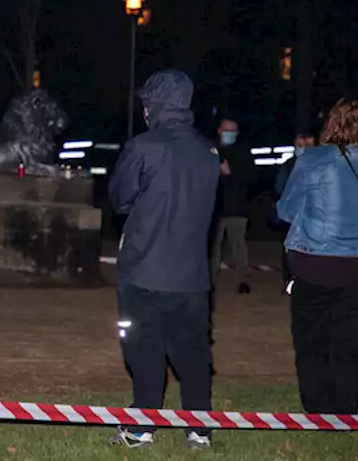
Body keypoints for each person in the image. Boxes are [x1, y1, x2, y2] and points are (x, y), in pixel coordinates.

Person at [107, 69, 219, 451]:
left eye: (146, 103)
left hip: (145, 270)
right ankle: (199, 428)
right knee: (193, 351)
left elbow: (119, 197)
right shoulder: (208, 151)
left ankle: (142, 427)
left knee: (144, 349)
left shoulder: (144, 147)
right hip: (192, 275)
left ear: (154, 105)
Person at [277, 98, 358, 415]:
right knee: (348, 342)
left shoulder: (310, 160)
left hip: (314, 262)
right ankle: (344, 412)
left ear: (330, 124)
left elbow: (286, 210)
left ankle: (317, 410)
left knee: (310, 341)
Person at [212, 117, 254, 294]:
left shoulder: (243, 153)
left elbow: (251, 179)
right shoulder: (210, 151)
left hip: (236, 207)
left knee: (238, 246)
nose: (229, 133)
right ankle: (209, 281)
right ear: (219, 131)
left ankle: (243, 280)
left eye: (233, 130)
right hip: (214, 208)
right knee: (213, 247)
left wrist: (230, 174)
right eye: (226, 129)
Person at [274, 133, 316, 287]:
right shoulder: (288, 165)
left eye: (308, 146)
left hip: (313, 215)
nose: (303, 149)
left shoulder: (320, 165)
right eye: (300, 145)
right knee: (290, 248)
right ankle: (290, 279)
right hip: (293, 216)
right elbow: (279, 188)